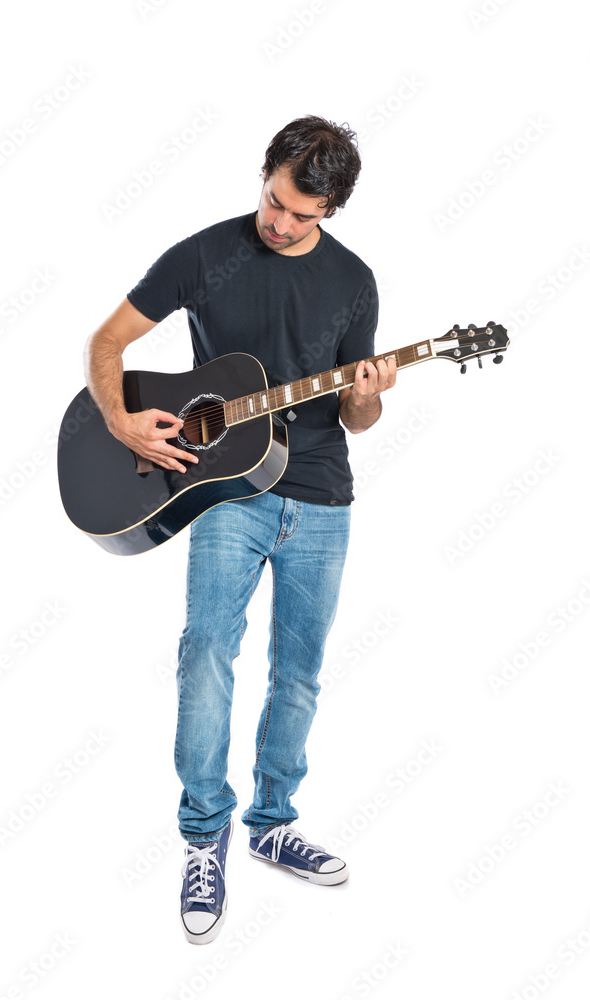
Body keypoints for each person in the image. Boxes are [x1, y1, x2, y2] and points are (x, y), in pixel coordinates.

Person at [84, 115, 397, 945]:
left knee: (298, 674)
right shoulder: (205, 254)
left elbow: (356, 417)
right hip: (226, 492)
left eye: (302, 214)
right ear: (263, 177)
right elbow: (108, 342)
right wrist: (120, 424)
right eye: (273, 200)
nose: (281, 223)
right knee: (206, 656)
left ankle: (271, 822)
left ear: (332, 210)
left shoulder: (355, 281)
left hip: (323, 498)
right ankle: (202, 836)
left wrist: (368, 393)